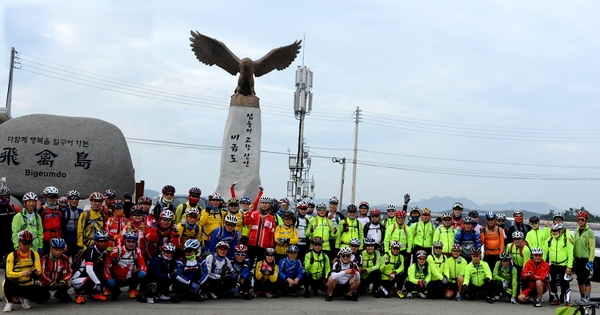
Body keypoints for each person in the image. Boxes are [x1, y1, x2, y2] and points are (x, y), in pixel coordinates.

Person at [2, 230, 51, 312]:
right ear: (19, 242)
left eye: (29, 243)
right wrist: (21, 274)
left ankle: (24, 297)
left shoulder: (34, 254)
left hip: (29, 284)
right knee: (6, 282)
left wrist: (35, 271)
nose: (26, 246)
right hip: (17, 285)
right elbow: (8, 273)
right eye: (24, 243)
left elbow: (39, 270)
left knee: (46, 295)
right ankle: (9, 302)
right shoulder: (12, 255)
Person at [104, 231, 147, 300]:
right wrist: (108, 278)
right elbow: (106, 265)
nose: (131, 244)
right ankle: (109, 289)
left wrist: (143, 270)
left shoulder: (137, 251)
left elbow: (142, 263)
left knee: (144, 274)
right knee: (114, 295)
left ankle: (138, 292)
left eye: (133, 242)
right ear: (124, 241)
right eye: (128, 241)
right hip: (116, 279)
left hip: (129, 279)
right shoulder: (116, 250)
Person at [71, 230, 110, 304]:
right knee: (89, 280)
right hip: (78, 278)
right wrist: (98, 283)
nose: (103, 243)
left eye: (105, 241)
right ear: (96, 242)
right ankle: (78, 294)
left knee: (105, 277)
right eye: (101, 241)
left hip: (90, 275)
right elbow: (89, 270)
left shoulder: (105, 252)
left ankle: (93, 294)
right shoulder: (90, 251)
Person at [547, 222, 574, 306]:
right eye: (553, 231)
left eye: (556, 231)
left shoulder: (567, 239)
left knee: (565, 283)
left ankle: (568, 300)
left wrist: (569, 267)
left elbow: (570, 254)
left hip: (564, 265)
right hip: (553, 265)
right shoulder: (550, 240)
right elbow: (545, 253)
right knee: (551, 282)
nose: (554, 232)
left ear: (561, 231)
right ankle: (556, 298)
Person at [244, 196, 276, 265]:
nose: (264, 205)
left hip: (264, 245)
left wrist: (271, 246)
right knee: (249, 263)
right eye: (263, 203)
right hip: (252, 244)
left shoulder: (271, 218)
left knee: (260, 264)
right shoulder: (254, 214)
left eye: (266, 203)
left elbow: (272, 232)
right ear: (260, 204)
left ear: (270, 205)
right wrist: (249, 211)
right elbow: (246, 222)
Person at [39, 238, 72, 303]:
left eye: (60, 250)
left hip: (58, 283)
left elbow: (69, 272)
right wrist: (50, 282)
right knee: (43, 297)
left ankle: (59, 294)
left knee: (68, 288)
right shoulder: (45, 259)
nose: (58, 252)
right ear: (51, 249)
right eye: (56, 250)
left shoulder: (65, 258)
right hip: (46, 283)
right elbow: (41, 274)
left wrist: (63, 280)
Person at [573, 210, 595, 303]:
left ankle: (587, 298)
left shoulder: (589, 232)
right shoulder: (576, 231)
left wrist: (591, 260)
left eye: (582, 219)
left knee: (587, 280)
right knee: (580, 280)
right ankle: (582, 297)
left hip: (586, 259)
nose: (580, 221)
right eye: (579, 220)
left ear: (586, 221)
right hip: (578, 259)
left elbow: (592, 247)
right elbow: (575, 245)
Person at [383, 210, 412, 276]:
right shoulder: (391, 228)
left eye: (402, 218)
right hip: (393, 251)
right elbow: (386, 240)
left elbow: (410, 241)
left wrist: (408, 252)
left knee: (404, 268)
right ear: (396, 218)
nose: (400, 219)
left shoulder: (407, 229)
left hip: (403, 251)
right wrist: (386, 251)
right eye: (398, 217)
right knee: (391, 266)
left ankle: (401, 283)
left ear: (405, 218)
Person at [39, 186, 63, 254]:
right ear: (45, 197)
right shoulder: (41, 210)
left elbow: (63, 225)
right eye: (50, 197)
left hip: (58, 240)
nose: (52, 199)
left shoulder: (60, 210)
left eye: (55, 197)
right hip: (45, 240)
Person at [0, 187, 20, 268]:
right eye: (1, 197)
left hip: (11, 240)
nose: (4, 199)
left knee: (10, 265)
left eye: (6, 197)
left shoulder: (14, 208)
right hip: (0, 239)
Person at [506, 230, 530, 295]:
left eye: (519, 239)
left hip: (524, 266)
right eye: (515, 239)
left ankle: (524, 295)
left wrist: (523, 273)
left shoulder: (526, 250)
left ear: (522, 239)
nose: (517, 241)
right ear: (513, 239)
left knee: (524, 280)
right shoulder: (509, 246)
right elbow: (507, 258)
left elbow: (526, 264)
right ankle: (515, 294)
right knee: (515, 280)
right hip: (515, 265)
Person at [62, 190, 83, 259]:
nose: (74, 200)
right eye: (72, 198)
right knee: (65, 258)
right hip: (66, 239)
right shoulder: (64, 211)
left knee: (76, 259)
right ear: (68, 200)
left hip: (76, 240)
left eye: (76, 198)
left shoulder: (81, 212)